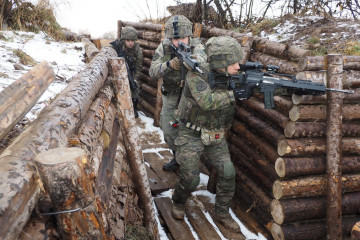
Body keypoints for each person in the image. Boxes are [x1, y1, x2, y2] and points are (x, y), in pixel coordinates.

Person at [170, 36, 250, 232]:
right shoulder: (196, 75)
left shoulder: (230, 74)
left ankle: (222, 212)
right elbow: (207, 101)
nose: (238, 67)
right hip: (190, 132)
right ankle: (178, 200)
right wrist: (234, 93)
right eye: (233, 63)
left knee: (228, 172)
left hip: (214, 134)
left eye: (237, 62)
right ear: (221, 64)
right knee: (191, 179)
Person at [149, 15, 206, 171]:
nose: (180, 42)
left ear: (189, 35)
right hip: (172, 95)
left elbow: (202, 59)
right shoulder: (165, 47)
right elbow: (153, 71)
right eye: (176, 39)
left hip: (191, 98)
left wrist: (192, 61)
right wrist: (169, 65)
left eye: (183, 38)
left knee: (190, 132)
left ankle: (188, 165)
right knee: (168, 131)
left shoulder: (196, 45)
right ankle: (177, 157)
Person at [110, 26, 142, 118]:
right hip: (117, 71)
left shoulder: (137, 50)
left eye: (133, 40)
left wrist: (135, 79)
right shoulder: (117, 46)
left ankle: (134, 109)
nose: (131, 43)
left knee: (135, 88)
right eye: (128, 40)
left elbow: (138, 67)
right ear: (124, 39)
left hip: (130, 72)